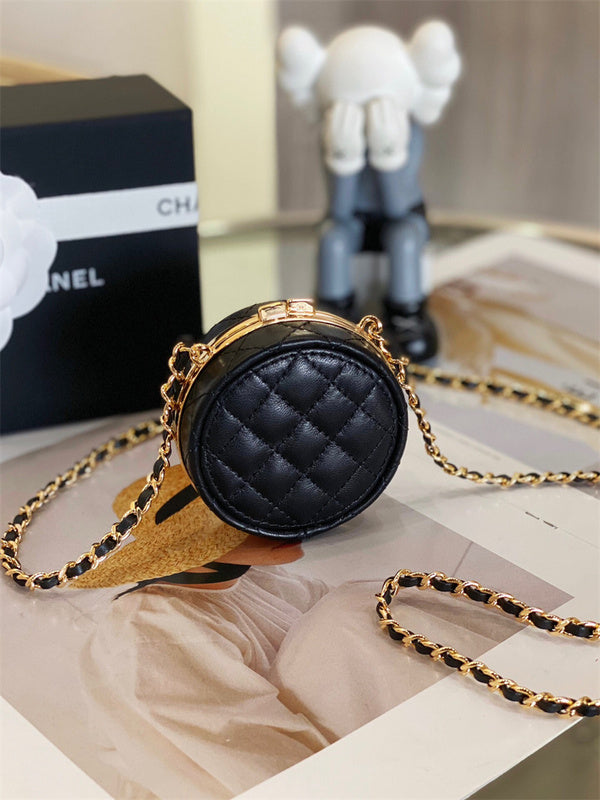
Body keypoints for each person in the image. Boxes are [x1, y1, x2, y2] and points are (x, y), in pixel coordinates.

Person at [77, 466, 331, 800]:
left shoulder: (261, 579)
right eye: (244, 517)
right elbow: (257, 771)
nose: (285, 521)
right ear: (190, 544)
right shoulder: (151, 632)